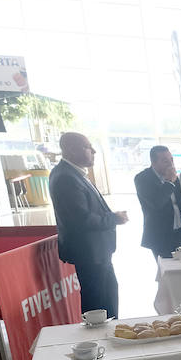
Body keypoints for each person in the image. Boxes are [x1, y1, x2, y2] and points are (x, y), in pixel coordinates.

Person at [49, 131, 127, 316]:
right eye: (87, 147)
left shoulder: (76, 174)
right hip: (89, 252)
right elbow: (81, 219)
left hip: (98, 251)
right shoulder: (65, 177)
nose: (93, 151)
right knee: (97, 303)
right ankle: (98, 341)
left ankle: (109, 335)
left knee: (108, 298)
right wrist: (113, 219)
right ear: (70, 149)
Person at [134, 144, 181, 260]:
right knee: (166, 271)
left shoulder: (173, 177)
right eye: (165, 161)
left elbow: (179, 201)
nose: (170, 164)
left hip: (178, 231)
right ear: (154, 162)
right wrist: (169, 182)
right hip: (159, 235)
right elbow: (156, 203)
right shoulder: (142, 179)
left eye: (171, 159)